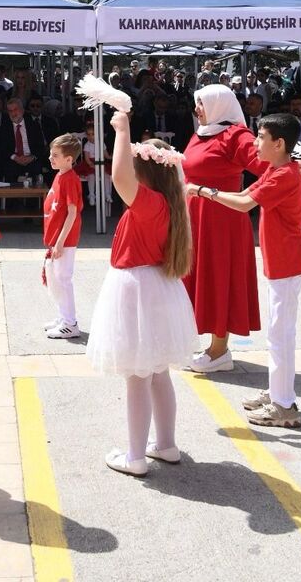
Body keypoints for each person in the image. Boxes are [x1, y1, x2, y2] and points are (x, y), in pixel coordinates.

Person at [87, 112, 197, 476]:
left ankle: (135, 456)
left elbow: (118, 176)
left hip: (138, 290)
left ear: (147, 173)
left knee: (137, 375)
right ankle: (165, 444)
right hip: (158, 291)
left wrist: (122, 130)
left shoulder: (150, 203)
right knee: (158, 372)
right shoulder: (169, 203)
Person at [188, 113, 301, 428]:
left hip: (287, 264)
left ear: (278, 143)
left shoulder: (283, 175)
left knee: (280, 336)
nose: (254, 143)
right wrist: (205, 191)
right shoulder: (278, 170)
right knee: (277, 334)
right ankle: (277, 393)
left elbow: (244, 206)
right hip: (281, 263)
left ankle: (284, 406)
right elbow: (244, 196)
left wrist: (201, 191)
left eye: (260, 137)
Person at [182, 85, 265, 373]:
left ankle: (219, 352)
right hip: (196, 216)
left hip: (221, 220)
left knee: (219, 278)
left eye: (202, 103)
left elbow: (268, 167)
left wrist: (247, 198)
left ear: (219, 104)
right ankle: (209, 347)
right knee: (197, 277)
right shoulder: (202, 132)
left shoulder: (237, 136)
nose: (197, 109)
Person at [42, 134, 84, 340]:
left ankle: (70, 322)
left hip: (65, 239)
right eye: (51, 154)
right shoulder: (60, 175)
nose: (51, 158)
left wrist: (59, 242)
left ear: (69, 159)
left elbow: (72, 212)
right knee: (57, 278)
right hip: (57, 238)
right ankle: (63, 316)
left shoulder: (70, 179)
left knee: (63, 279)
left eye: (55, 155)